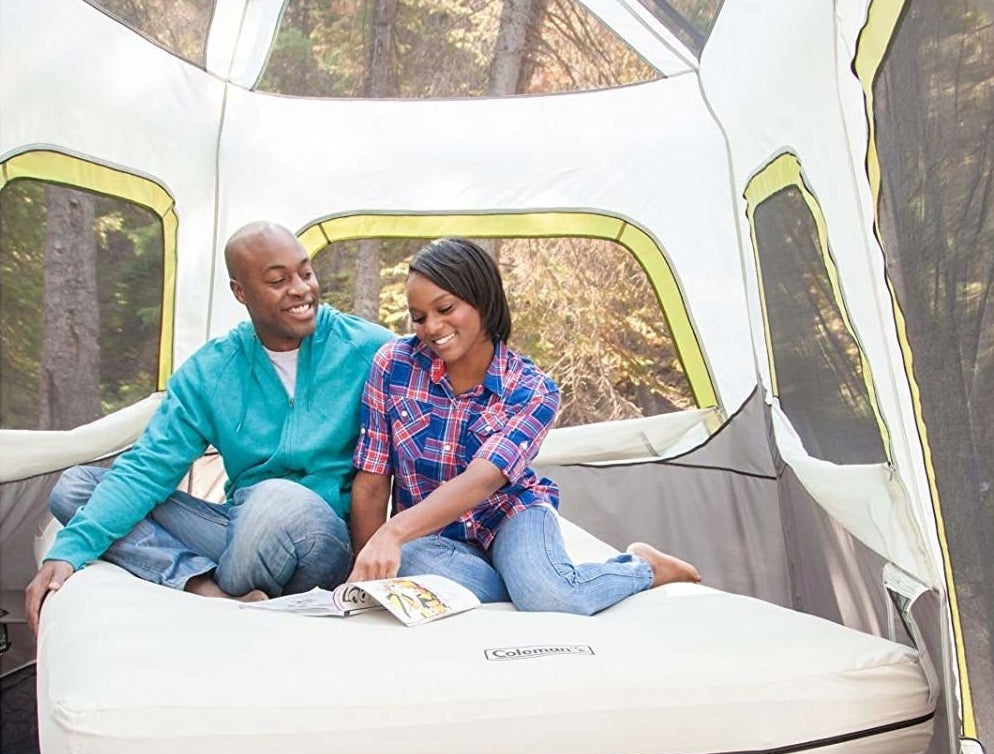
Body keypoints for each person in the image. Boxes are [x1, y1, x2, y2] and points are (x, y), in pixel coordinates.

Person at [25, 221, 393, 635]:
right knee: (76, 487)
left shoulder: (369, 349)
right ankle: (206, 588)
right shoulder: (210, 371)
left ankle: (230, 604)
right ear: (241, 292)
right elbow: (148, 468)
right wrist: (69, 552)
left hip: (327, 539)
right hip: (240, 529)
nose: (301, 290)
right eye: (278, 280)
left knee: (277, 499)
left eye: (305, 273)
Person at [348, 237, 700, 614]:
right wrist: (367, 573)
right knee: (409, 561)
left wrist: (393, 531)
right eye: (419, 317)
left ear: (482, 298)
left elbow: (482, 480)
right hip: (431, 536)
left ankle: (644, 568)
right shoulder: (393, 366)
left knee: (552, 597)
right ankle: (527, 580)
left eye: (445, 308)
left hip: (511, 516)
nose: (432, 327)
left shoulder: (533, 389)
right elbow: (371, 484)